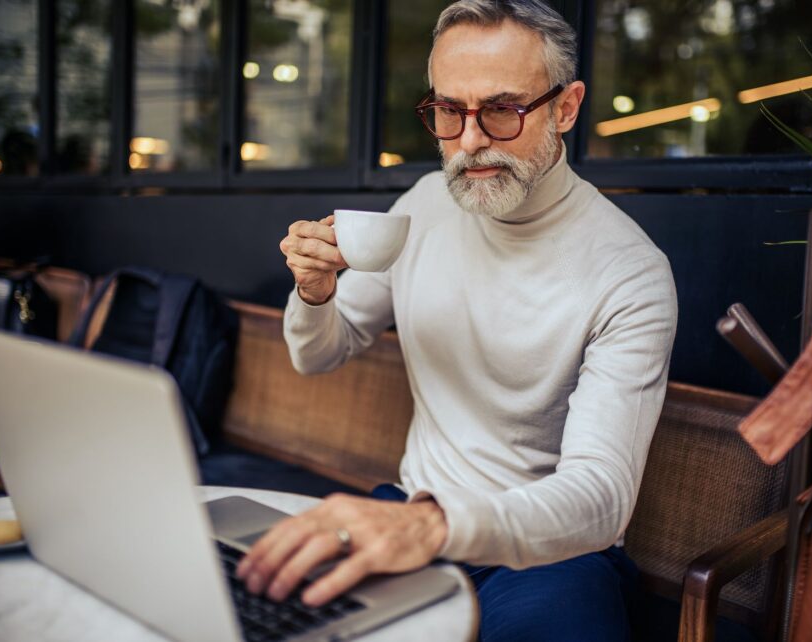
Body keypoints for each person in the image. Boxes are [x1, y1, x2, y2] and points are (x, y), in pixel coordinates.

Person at [238, 1, 678, 639]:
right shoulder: (422, 206)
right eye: (449, 111)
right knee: (258, 603)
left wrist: (432, 525)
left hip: (547, 553)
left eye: (502, 109)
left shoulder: (629, 271)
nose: (469, 143)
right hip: (413, 515)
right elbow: (318, 354)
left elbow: (601, 496)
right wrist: (314, 292)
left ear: (567, 106)